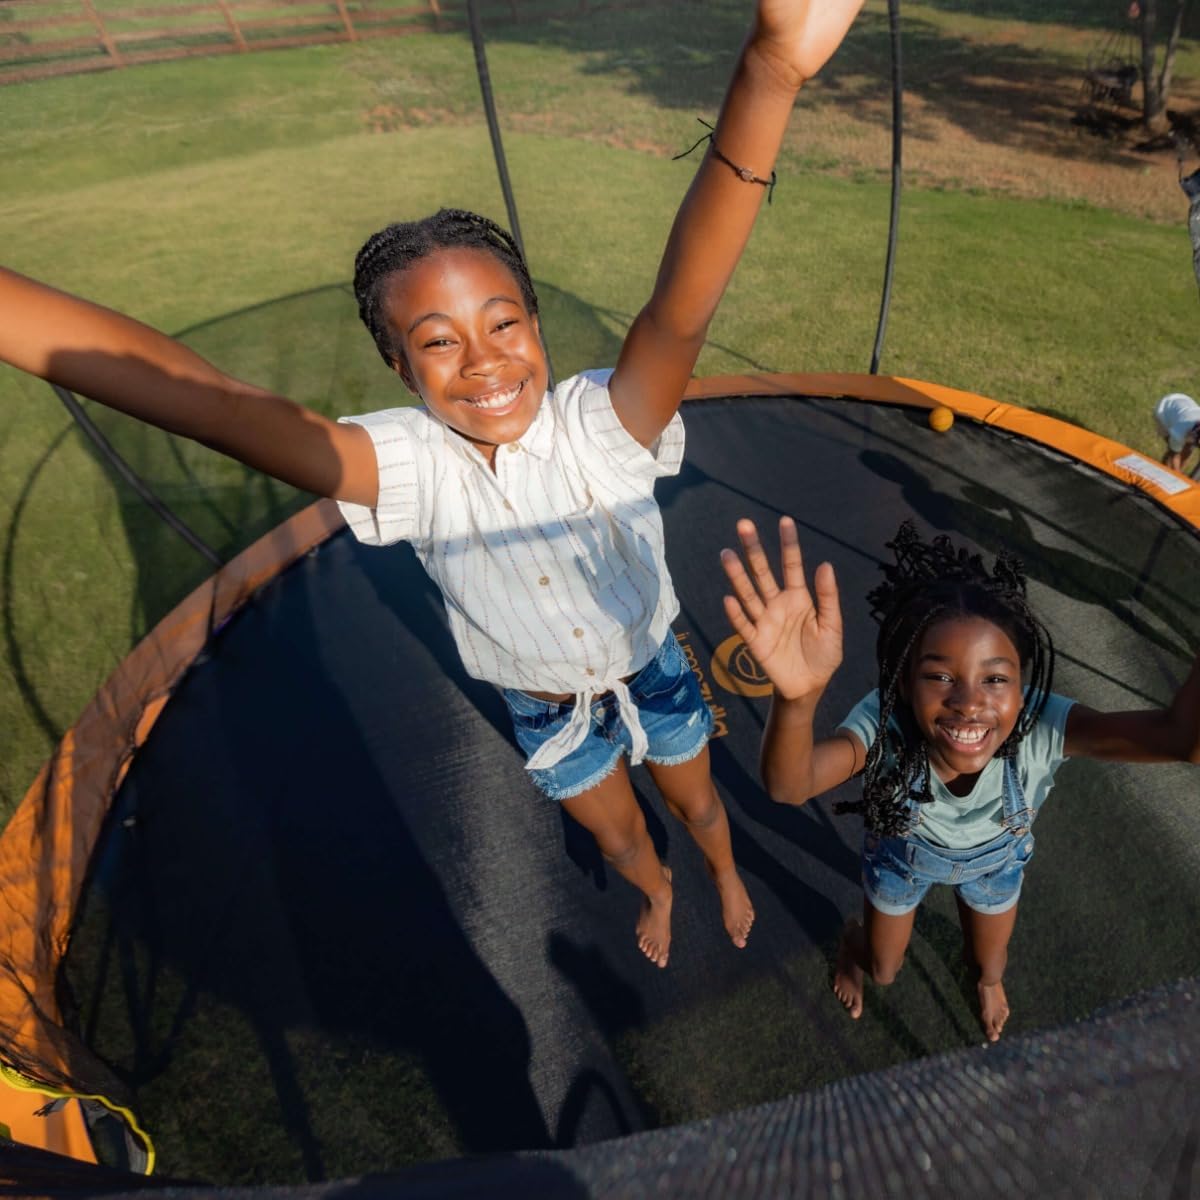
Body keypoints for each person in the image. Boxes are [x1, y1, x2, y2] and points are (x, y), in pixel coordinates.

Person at [0, 0, 866, 969]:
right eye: (439, 342)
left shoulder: (605, 422)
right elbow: (214, 406)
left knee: (697, 800)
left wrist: (770, 72)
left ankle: (721, 869)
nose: (484, 361)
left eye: (504, 323)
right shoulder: (403, 468)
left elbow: (681, 309)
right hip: (544, 706)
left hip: (650, 662)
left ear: (535, 324)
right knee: (622, 836)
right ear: (400, 369)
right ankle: (657, 888)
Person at [719, 516, 1200, 1041]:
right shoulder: (887, 725)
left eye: (994, 678)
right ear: (905, 682)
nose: (969, 702)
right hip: (902, 863)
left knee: (988, 965)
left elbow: (1182, 741)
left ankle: (987, 983)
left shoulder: (1042, 725)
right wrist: (797, 699)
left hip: (995, 867)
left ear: (1022, 686)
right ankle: (853, 946)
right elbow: (790, 786)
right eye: (941, 676)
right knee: (883, 969)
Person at [1153, 391, 1200, 478]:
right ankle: (1160, 477)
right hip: (1164, 408)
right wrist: (1178, 478)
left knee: (1188, 450)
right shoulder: (1179, 433)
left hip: (1185, 402)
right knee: (1175, 452)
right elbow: (1173, 455)